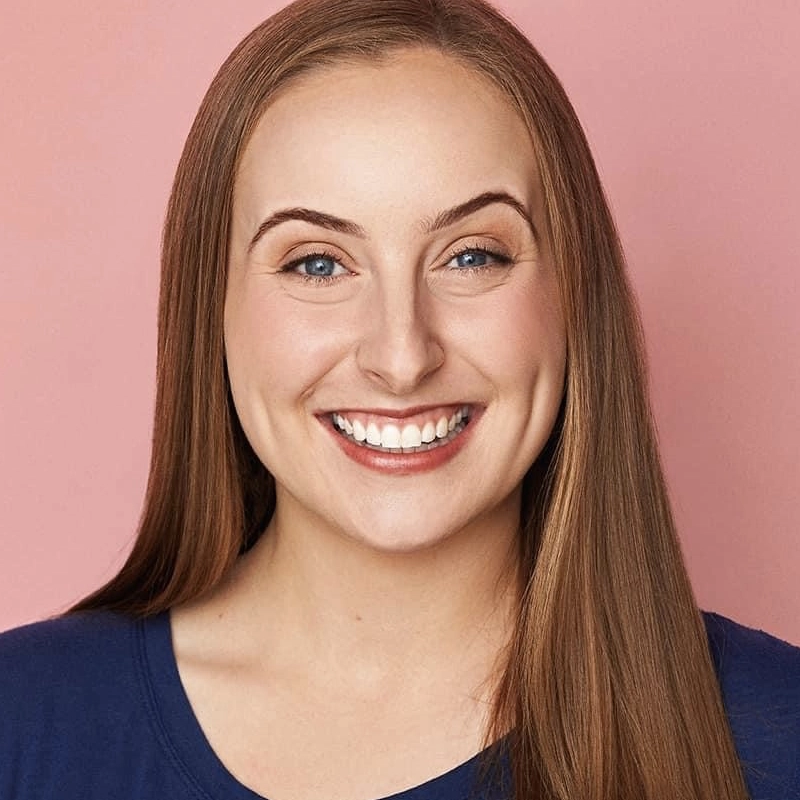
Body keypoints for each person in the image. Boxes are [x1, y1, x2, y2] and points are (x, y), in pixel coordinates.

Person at [1, 0, 798, 798]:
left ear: (572, 299)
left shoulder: (777, 733)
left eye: (472, 256)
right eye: (317, 264)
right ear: (212, 310)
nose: (401, 355)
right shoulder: (23, 723)